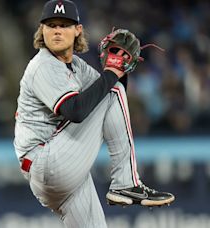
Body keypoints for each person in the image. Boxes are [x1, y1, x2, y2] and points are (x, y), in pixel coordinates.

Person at [13, 0, 175, 227]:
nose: (57, 30)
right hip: (46, 161)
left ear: (77, 30)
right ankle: (125, 183)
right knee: (111, 89)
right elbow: (76, 111)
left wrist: (121, 70)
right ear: (42, 30)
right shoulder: (43, 65)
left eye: (64, 24)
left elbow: (110, 102)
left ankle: (124, 184)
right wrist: (114, 71)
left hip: (64, 172)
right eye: (51, 25)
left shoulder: (77, 66)